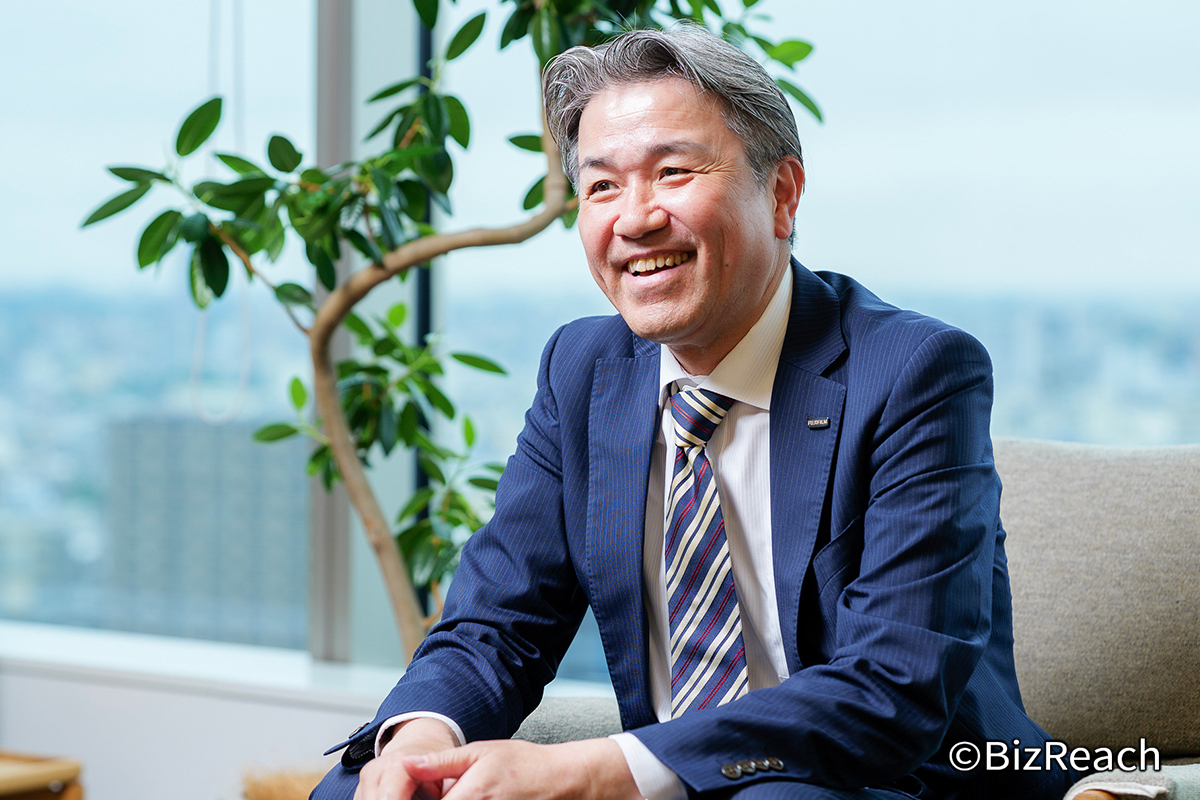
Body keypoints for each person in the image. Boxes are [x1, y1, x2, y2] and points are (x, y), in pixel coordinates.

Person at [312, 25, 1089, 800]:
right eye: (602, 187)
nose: (634, 219)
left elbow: (892, 688)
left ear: (781, 194)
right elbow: (495, 625)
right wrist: (423, 737)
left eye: (673, 172)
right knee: (360, 790)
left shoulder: (914, 372)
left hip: (889, 778)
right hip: (675, 777)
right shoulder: (582, 372)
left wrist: (596, 770)